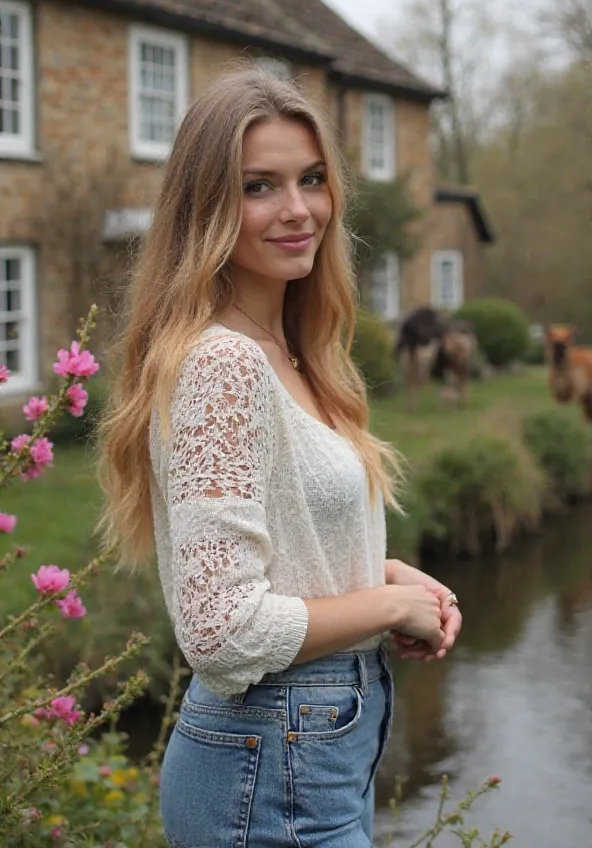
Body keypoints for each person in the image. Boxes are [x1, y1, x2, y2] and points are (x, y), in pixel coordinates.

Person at [98, 66, 462, 847]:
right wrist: (389, 609)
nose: (298, 211)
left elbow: (285, 541)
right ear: (207, 208)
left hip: (312, 754)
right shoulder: (222, 365)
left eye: (312, 180)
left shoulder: (296, 354)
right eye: (260, 186)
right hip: (269, 765)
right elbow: (220, 630)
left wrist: (393, 577)